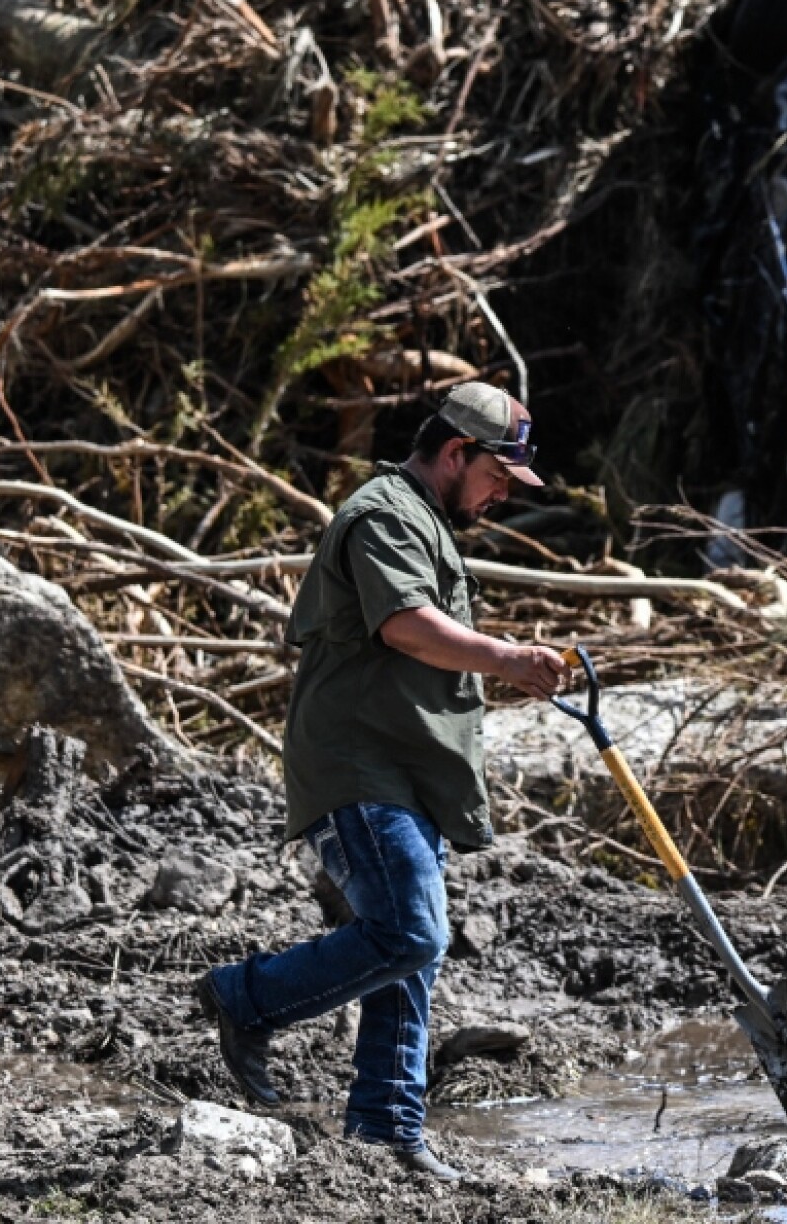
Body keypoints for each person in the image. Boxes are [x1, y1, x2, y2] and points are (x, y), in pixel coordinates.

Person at [196, 382, 571, 1182]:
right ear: (452, 452)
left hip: (405, 770)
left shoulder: (424, 518)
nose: (504, 491)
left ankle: (387, 1129)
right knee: (410, 934)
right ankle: (245, 999)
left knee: (410, 950)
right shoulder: (385, 514)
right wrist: (506, 657)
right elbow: (404, 625)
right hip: (359, 765)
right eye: (497, 473)